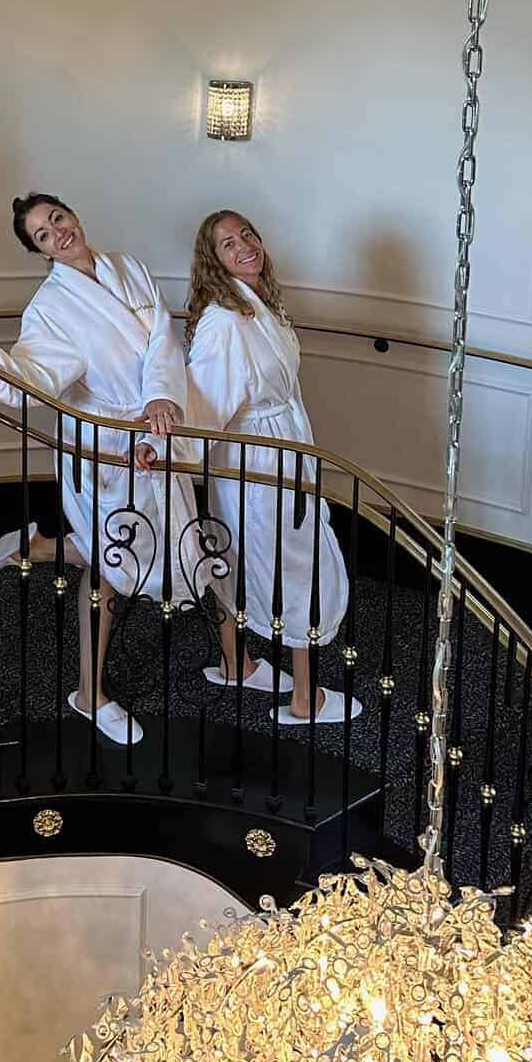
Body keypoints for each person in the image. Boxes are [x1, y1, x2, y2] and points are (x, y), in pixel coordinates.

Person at [0, 195, 203, 747]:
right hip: (104, 446)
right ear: (38, 251)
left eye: (57, 219)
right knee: (111, 565)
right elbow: (34, 372)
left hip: (155, 428)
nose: (56, 233)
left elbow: (164, 337)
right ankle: (90, 692)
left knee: (175, 542)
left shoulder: (127, 268)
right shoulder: (50, 307)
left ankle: (38, 546)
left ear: (74, 216)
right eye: (41, 235)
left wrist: (160, 397)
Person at [184, 209, 360, 726]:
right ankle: (305, 698)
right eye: (227, 244)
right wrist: (166, 454)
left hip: (277, 442)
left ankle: (235, 662)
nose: (244, 246)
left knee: (238, 550)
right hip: (257, 457)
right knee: (292, 558)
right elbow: (205, 406)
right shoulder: (223, 321)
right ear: (211, 260)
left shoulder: (261, 305)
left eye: (247, 234)